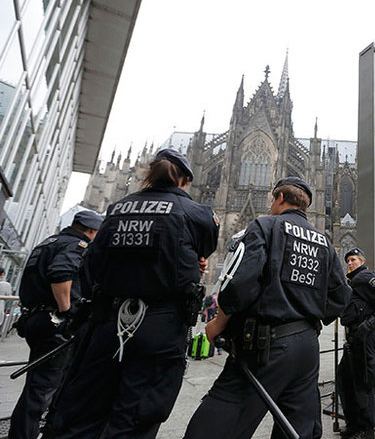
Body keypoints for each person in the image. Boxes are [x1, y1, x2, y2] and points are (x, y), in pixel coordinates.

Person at [44, 149, 219, 438]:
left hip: (109, 320)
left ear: (149, 173)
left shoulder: (118, 208)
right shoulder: (197, 214)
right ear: (186, 181)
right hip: (161, 325)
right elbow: (204, 250)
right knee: (137, 415)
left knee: (84, 410)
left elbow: (90, 267)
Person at [183, 176, 351, 439]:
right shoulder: (323, 241)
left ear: (279, 198)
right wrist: (310, 314)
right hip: (307, 347)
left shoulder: (265, 226)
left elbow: (240, 285)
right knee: (296, 429)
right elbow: (341, 296)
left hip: (264, 345)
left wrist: (217, 323)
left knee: (217, 424)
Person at [9, 210, 103, 439]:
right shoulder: (78, 245)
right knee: (42, 389)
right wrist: (67, 311)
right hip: (55, 322)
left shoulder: (48, 242)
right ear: (91, 231)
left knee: (39, 385)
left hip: (34, 319)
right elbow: (60, 273)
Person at [337, 247, 375, 439]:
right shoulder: (351, 280)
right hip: (354, 337)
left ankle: (367, 430)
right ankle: (353, 424)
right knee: (346, 379)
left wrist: (369, 325)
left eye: (353, 259)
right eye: (348, 260)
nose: (350, 263)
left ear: (362, 260)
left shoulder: (367, 277)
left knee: (363, 383)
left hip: (365, 337)